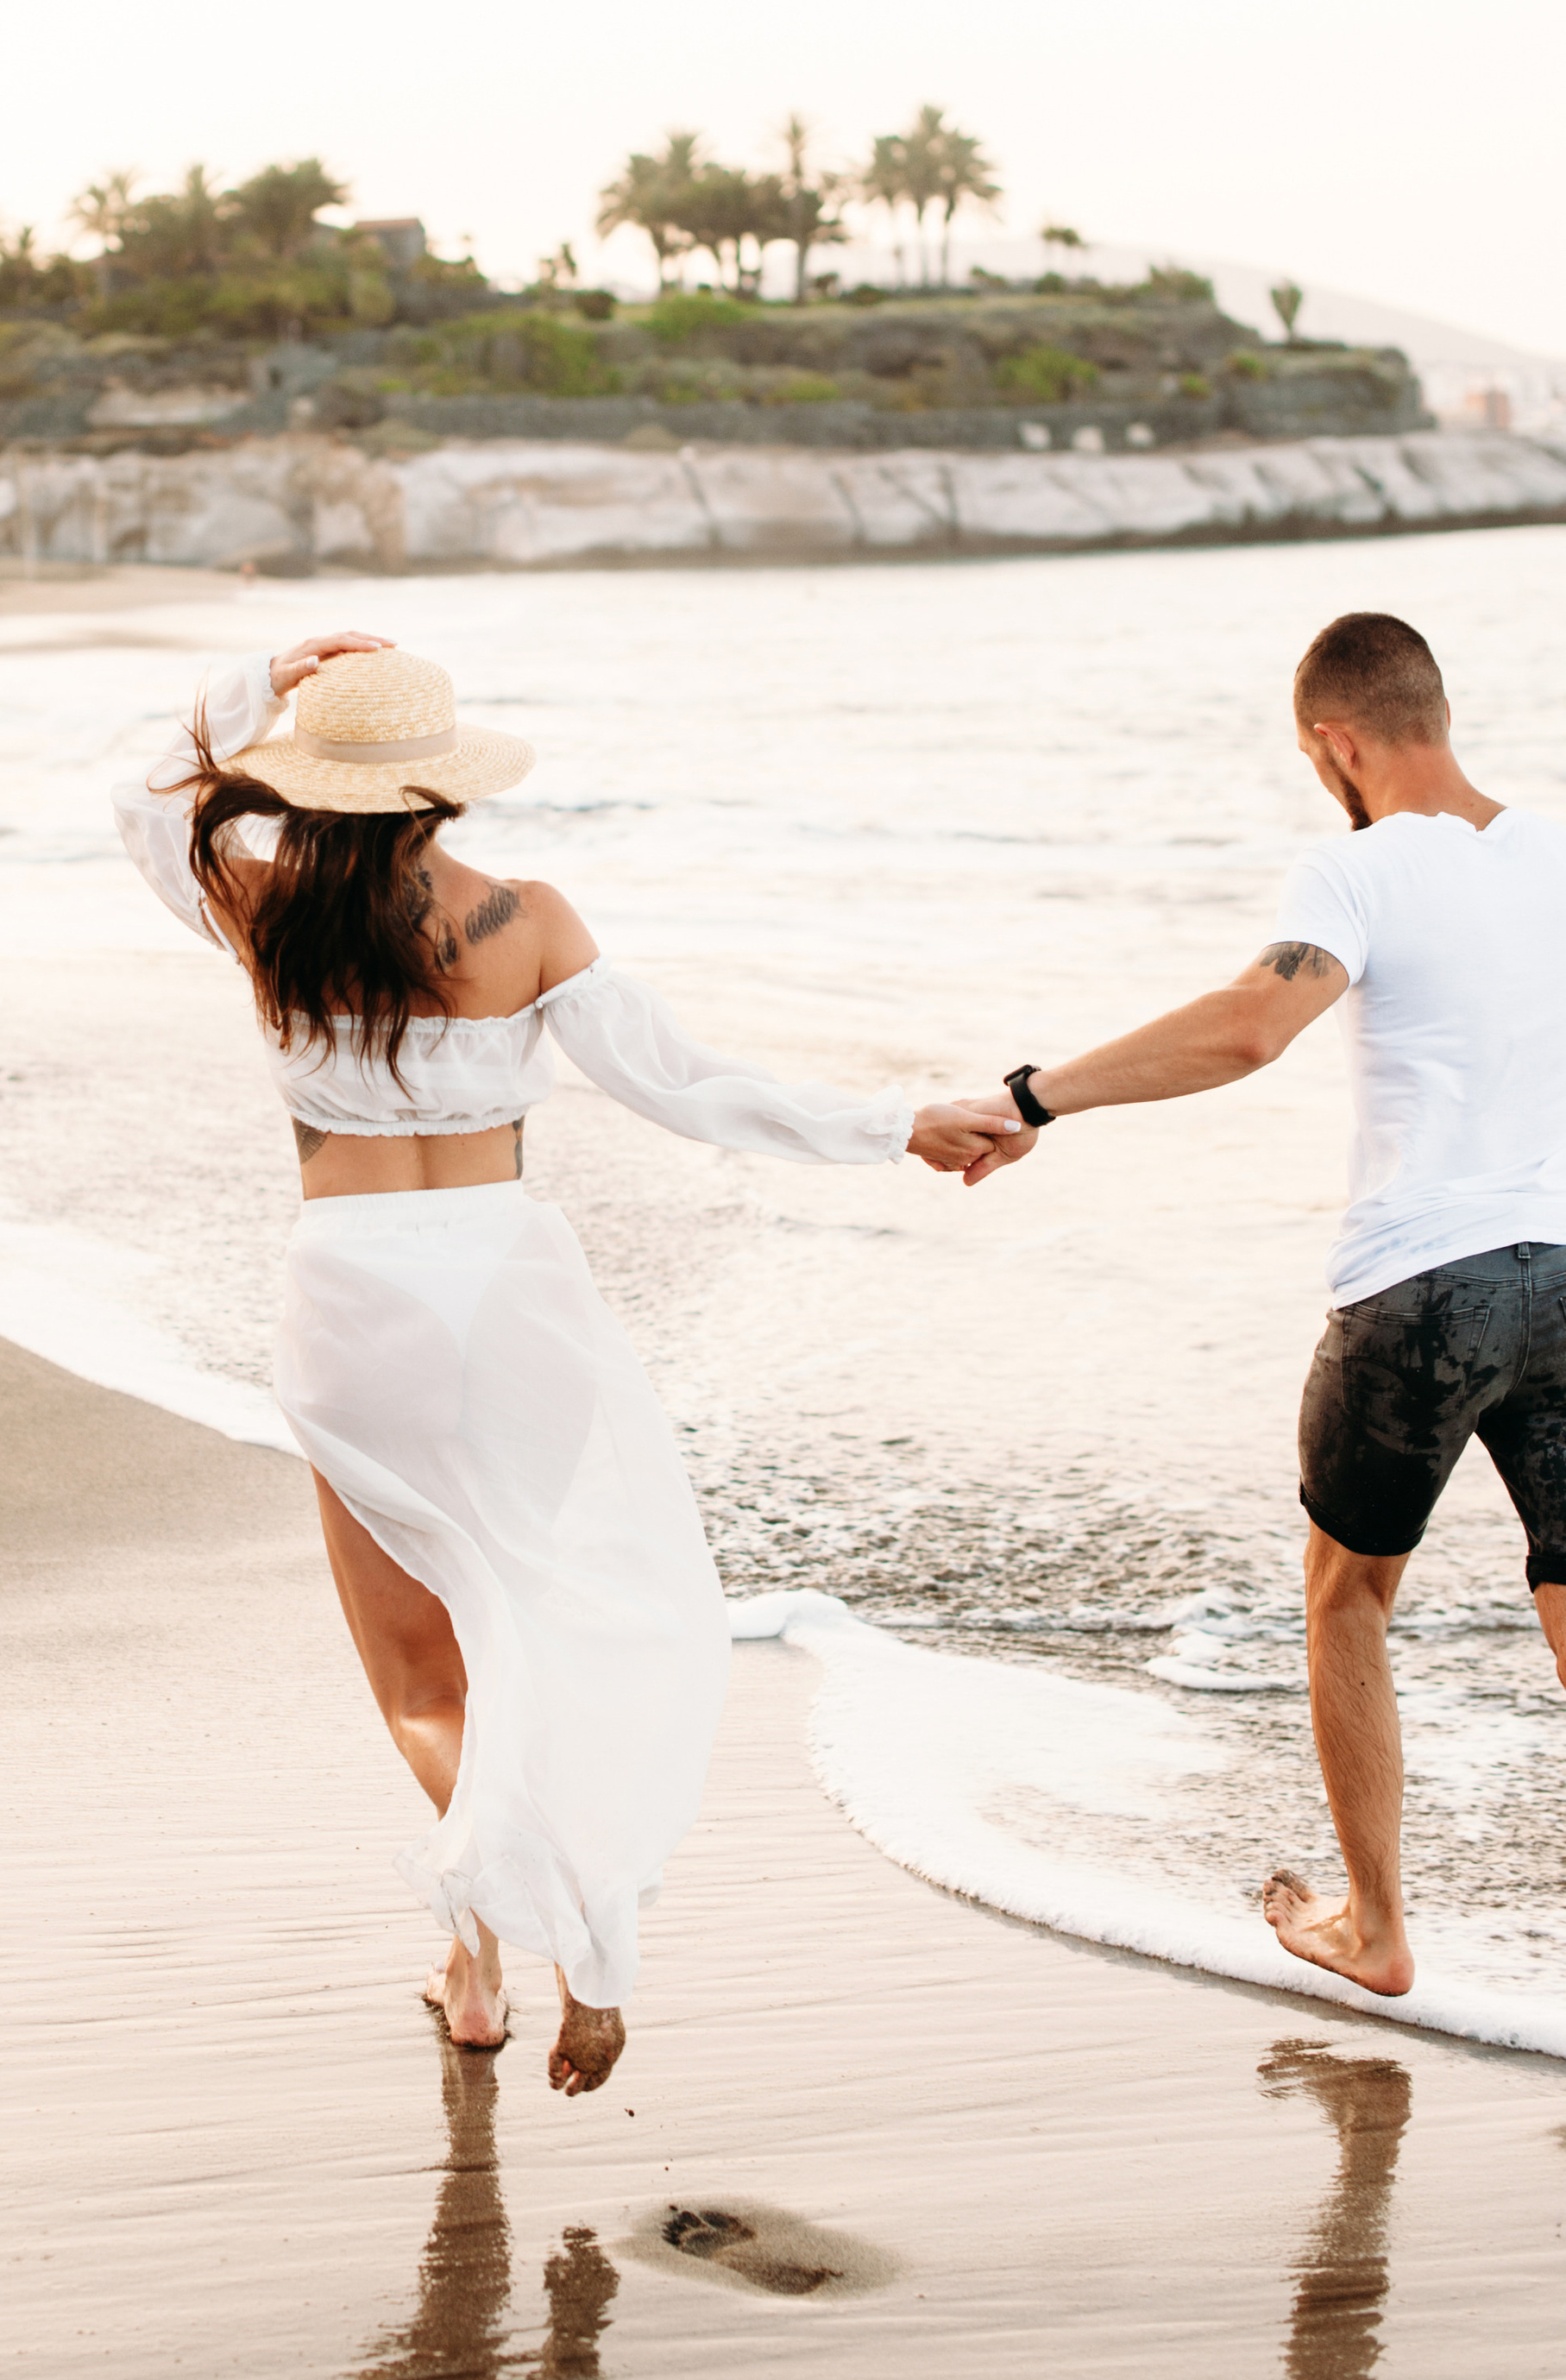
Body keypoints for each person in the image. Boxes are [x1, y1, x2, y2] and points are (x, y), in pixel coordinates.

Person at [114, 631, 1019, 2097]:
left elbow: (148, 796)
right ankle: (484, 1962)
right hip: (509, 1294)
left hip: (350, 1298)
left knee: (421, 1677)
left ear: (311, 780)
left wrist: (265, 675)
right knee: (526, 1618)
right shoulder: (526, 919)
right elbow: (693, 1087)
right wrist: (898, 1120)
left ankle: (570, 1931)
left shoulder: (258, 900)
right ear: (440, 787)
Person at [960, 609, 1566, 2000]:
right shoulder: (1555, 846)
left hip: (1423, 1290)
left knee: (1349, 1596)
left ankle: (1375, 1926)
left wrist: (1032, 1096)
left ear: (1334, 742)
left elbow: (1249, 1026)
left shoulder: (1353, 870)